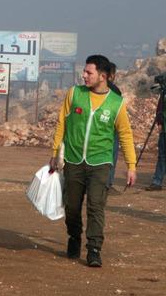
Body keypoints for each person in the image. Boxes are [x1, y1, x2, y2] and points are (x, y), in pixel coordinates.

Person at [49, 54, 136, 268]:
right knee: (71, 206)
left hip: (101, 162)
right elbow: (62, 123)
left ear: (102, 76)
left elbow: (125, 134)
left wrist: (131, 166)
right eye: (84, 72)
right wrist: (55, 152)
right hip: (74, 159)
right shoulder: (75, 94)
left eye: (89, 72)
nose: (84, 75)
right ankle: (74, 237)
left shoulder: (116, 104)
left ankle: (94, 249)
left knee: (96, 206)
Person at [151, 91, 166, 191]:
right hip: (164, 129)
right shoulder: (164, 92)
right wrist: (159, 122)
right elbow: (159, 109)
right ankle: (157, 182)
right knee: (162, 156)